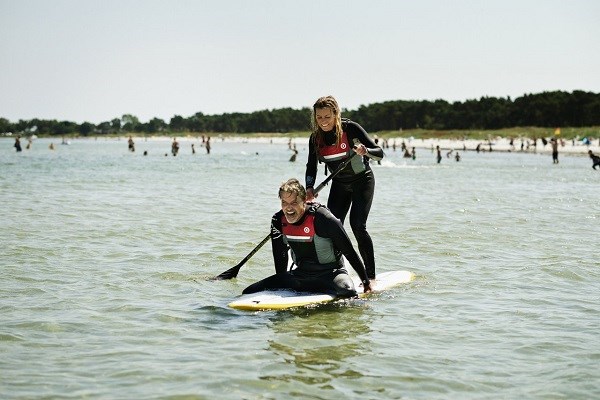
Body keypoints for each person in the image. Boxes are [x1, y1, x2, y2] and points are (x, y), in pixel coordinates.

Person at [242, 179, 372, 297]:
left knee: (347, 291)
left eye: (294, 203)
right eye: (284, 203)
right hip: (300, 276)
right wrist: (281, 289)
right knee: (249, 291)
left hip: (331, 275)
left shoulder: (323, 218)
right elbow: (279, 255)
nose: (288, 208)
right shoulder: (278, 220)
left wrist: (366, 283)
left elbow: (349, 252)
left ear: (304, 201)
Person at [305, 95, 383, 281]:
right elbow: (311, 166)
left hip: (362, 181)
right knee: (331, 228)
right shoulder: (315, 138)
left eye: (327, 117)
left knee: (358, 226)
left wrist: (366, 151)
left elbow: (380, 153)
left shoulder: (351, 129)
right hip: (339, 184)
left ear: (336, 114)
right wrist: (309, 187)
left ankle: (370, 277)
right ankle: (334, 273)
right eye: (319, 117)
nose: (323, 122)